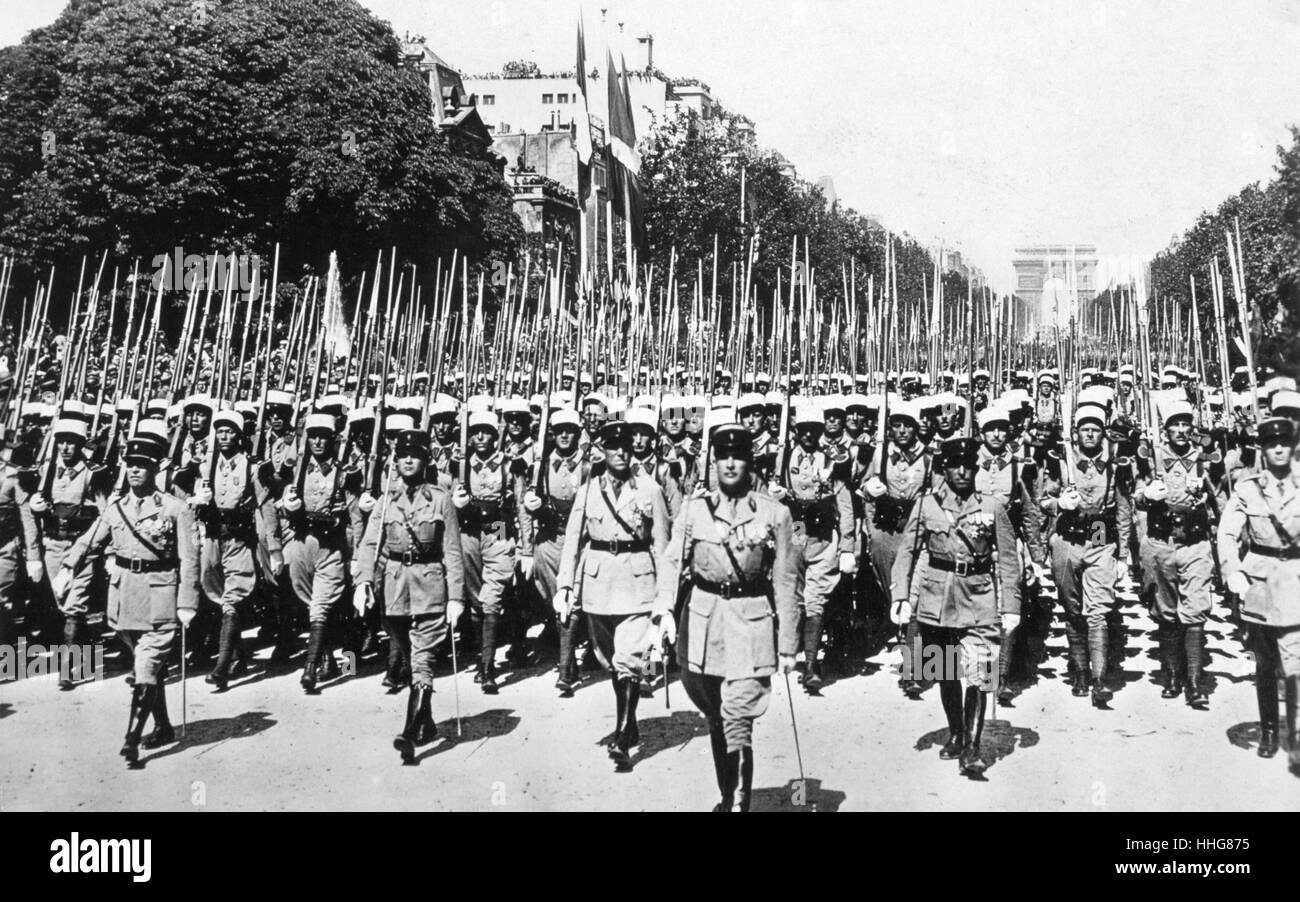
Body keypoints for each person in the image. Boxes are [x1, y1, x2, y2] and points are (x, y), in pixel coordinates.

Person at [657, 423, 798, 811]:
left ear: (750, 462)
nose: (731, 464)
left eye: (738, 457)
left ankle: (738, 805)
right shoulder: (693, 509)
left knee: (738, 715)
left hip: (751, 621)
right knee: (718, 718)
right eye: (724, 457)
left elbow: (786, 582)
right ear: (714, 462)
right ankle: (727, 795)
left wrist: (788, 646)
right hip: (704, 623)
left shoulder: (776, 514)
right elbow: (672, 563)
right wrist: (664, 612)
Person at [53, 437, 200, 766]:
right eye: (130, 464)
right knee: (147, 665)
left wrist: (187, 601)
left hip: (160, 596)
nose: (135, 470)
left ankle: (131, 741)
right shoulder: (115, 508)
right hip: (123, 598)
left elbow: (190, 558)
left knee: (146, 664)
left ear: (156, 468)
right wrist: (67, 567)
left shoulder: (176, 509)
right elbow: (89, 540)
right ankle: (162, 725)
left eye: (143, 465)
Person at [891, 437, 1021, 776]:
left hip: (978, 596)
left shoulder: (992, 507)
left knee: (980, 671)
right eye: (954, 465)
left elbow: (1008, 560)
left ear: (976, 468)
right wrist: (901, 596)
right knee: (945, 671)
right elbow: (907, 551)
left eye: (967, 465)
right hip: (937, 597)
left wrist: (1011, 605)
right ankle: (957, 732)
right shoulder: (926, 505)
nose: (961, 471)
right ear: (943, 469)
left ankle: (973, 750)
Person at [554, 421, 671, 771]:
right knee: (608, 658)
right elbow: (573, 538)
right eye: (614, 447)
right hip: (597, 582)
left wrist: (665, 600)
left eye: (627, 446)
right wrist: (565, 584)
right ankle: (631, 722)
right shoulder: (589, 489)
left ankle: (621, 736)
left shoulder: (650, 489)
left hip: (637, 581)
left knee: (627, 658)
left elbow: (662, 546)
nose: (621, 452)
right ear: (602, 450)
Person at [354, 428, 466, 763]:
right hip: (394, 589)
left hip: (431, 586)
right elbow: (371, 544)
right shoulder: (387, 500)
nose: (407, 460)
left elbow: (453, 553)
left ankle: (408, 735)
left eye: (414, 454)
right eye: (402, 455)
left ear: (425, 460)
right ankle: (427, 722)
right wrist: (363, 582)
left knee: (422, 661)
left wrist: (456, 597)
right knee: (407, 651)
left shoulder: (441, 499)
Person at [1217, 417, 1300, 774]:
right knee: (1266, 665)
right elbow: (1227, 532)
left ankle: (1294, 734)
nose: (1278, 449)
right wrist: (1232, 569)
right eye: (1271, 445)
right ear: (1263, 450)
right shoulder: (1247, 489)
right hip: (1262, 584)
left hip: (1297, 578)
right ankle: (1268, 732)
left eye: (1284, 443)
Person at [191, 408, 284, 691]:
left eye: (229, 431)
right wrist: (198, 500)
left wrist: (275, 547)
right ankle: (239, 654)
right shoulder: (207, 466)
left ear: (240, 436)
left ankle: (222, 667)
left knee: (232, 597)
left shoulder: (251, 467)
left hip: (239, 540)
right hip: (213, 539)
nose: (224, 437)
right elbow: (191, 504)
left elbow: (266, 506)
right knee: (214, 592)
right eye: (219, 432)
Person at [1135, 400, 1216, 708]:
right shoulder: (1151, 457)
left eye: (1186, 424)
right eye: (1175, 425)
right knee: (1166, 611)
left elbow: (1223, 494)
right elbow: (1132, 495)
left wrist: (1206, 493)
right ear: (1165, 429)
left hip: (1195, 542)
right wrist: (1146, 496)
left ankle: (1195, 683)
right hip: (1161, 542)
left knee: (1195, 611)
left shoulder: (1204, 457)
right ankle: (1171, 674)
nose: (1181, 430)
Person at [281, 413, 362, 693]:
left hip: (336, 545)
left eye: (322, 436)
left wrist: (357, 555)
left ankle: (341, 665)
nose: (317, 441)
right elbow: (279, 506)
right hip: (304, 542)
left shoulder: (344, 471)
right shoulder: (297, 469)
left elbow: (356, 517)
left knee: (345, 611)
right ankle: (326, 659)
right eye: (312, 435)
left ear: (332, 439)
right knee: (315, 604)